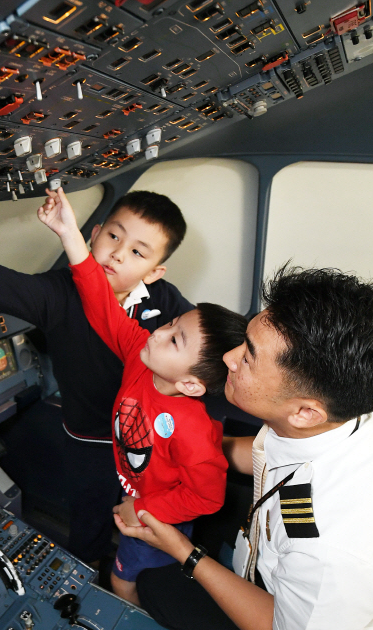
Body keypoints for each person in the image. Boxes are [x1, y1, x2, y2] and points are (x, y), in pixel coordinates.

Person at [117, 266, 373, 630]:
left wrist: (183, 553)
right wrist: (182, 450)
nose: (228, 357)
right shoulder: (352, 410)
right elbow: (267, 454)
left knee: (158, 584)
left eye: (247, 356)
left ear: (305, 411)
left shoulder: (335, 551)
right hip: (286, 551)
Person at [0, 189, 193, 564]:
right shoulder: (58, 292)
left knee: (151, 512)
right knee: (90, 511)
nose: (117, 253)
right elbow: (10, 287)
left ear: (155, 271)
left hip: (148, 437)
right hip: (89, 436)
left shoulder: (166, 301)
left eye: (137, 252)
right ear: (93, 235)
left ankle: (137, 567)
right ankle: (88, 567)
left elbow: (200, 346)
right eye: (114, 236)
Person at [37, 187, 247, 603]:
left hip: (156, 511)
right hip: (132, 483)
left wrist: (146, 509)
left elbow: (205, 494)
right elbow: (101, 304)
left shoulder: (192, 431)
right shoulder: (140, 353)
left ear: (190, 385)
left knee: (126, 578)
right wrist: (69, 238)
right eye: (170, 326)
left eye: (173, 339)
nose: (160, 331)